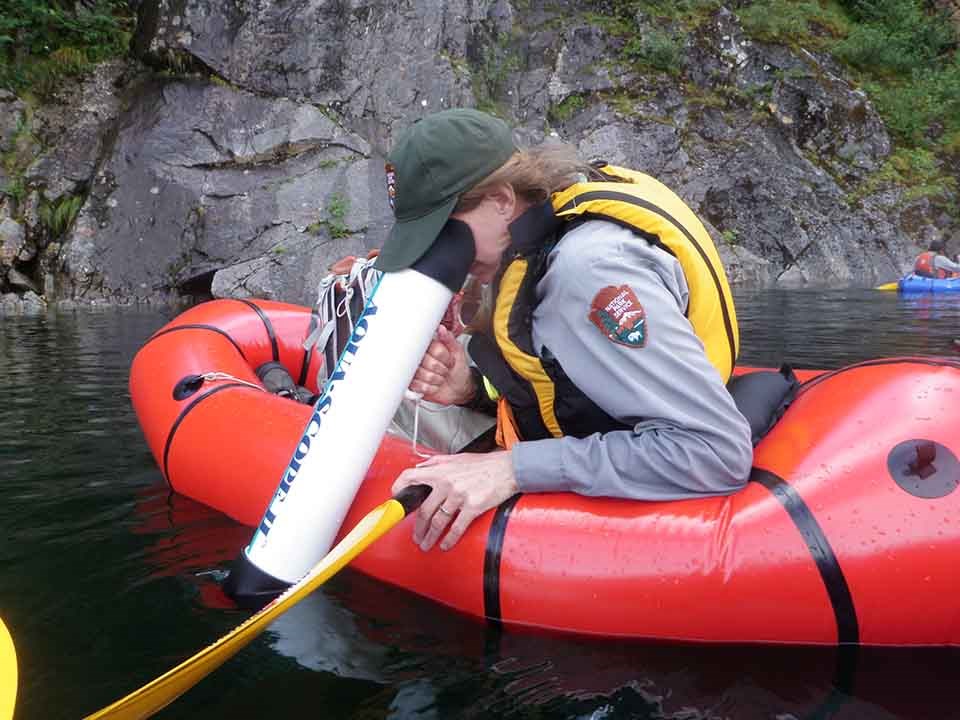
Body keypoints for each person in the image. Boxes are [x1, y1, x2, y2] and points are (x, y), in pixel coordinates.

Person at [375, 108, 753, 552]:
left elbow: (715, 452)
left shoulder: (588, 272)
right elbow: (568, 384)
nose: (443, 258)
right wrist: (472, 390)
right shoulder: (532, 233)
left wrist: (511, 469)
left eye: (444, 236)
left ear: (500, 200)